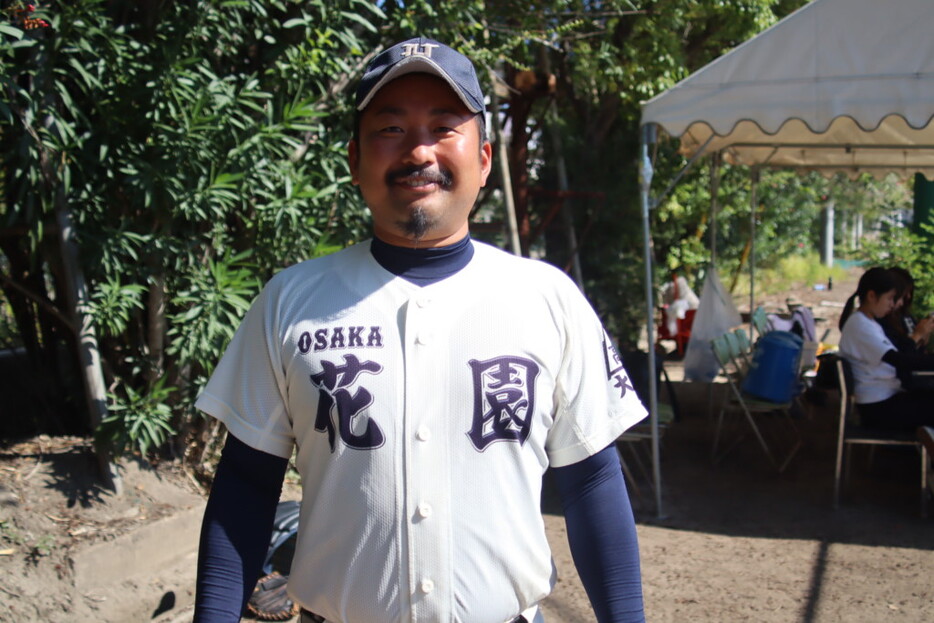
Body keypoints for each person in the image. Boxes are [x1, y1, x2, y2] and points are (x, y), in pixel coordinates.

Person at [193, 37, 649, 623]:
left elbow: (591, 481)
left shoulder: (547, 299)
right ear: (355, 160)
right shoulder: (291, 301)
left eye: (443, 126)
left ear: (484, 159)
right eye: (390, 129)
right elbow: (247, 485)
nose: (419, 151)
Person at [838, 266, 934, 431]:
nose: (893, 305)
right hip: (878, 407)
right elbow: (899, 360)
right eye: (890, 298)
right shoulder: (860, 325)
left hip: (886, 398)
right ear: (872, 296)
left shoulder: (869, 323)